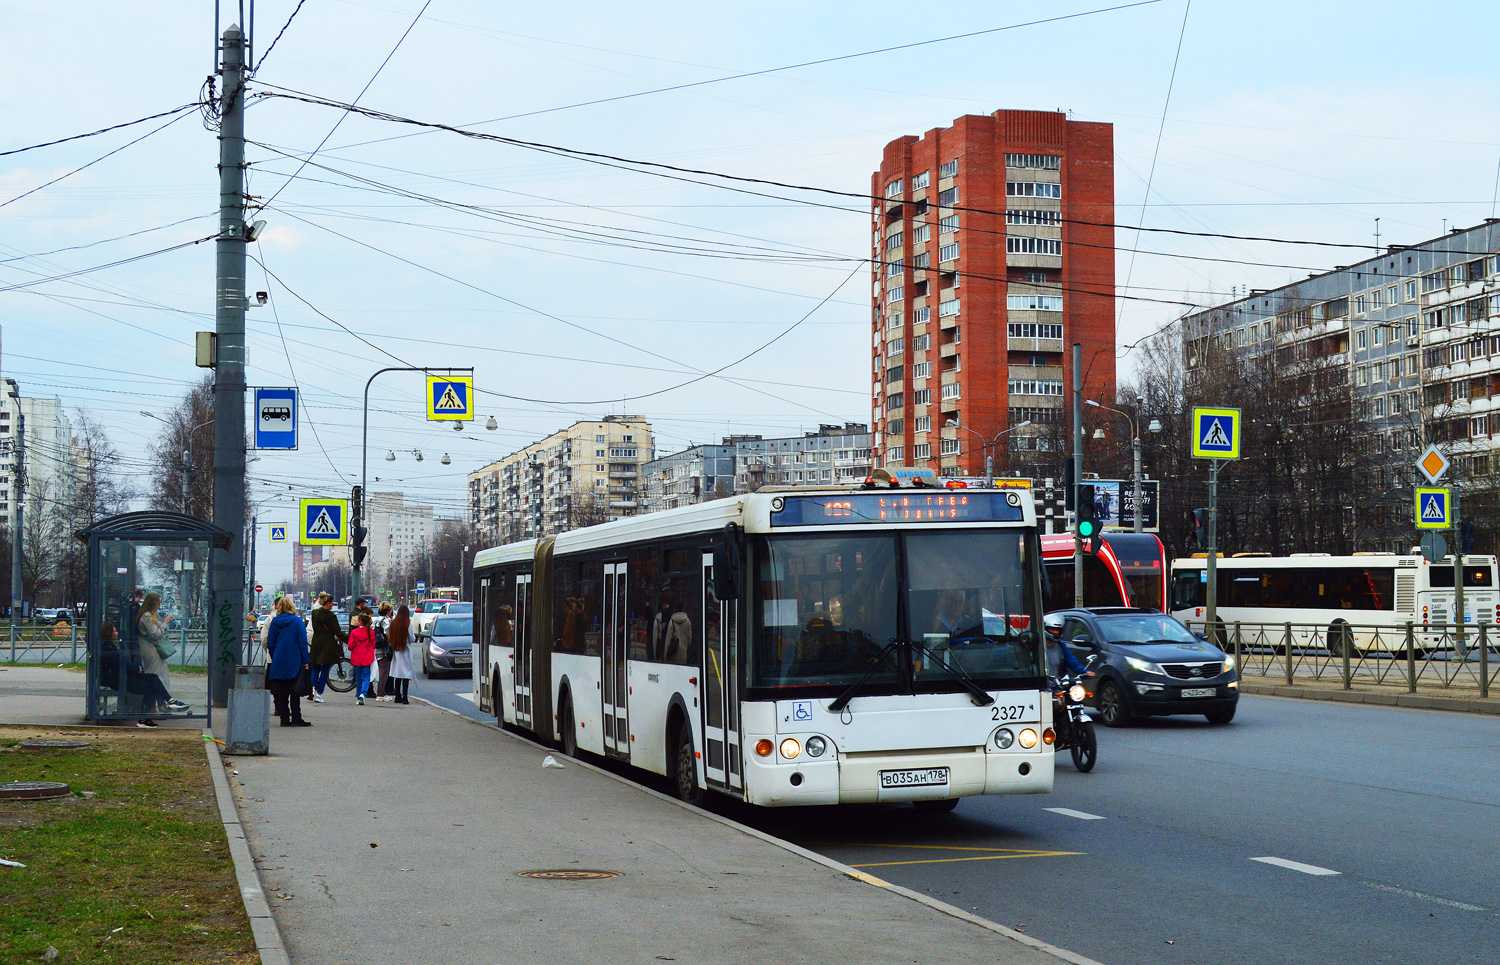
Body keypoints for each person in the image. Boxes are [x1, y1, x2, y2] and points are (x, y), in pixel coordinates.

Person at [97, 621, 173, 727]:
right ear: (108, 634)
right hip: (118, 680)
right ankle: (144, 718)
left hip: (121, 676)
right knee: (149, 688)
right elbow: (122, 665)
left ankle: (169, 700)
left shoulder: (107, 647)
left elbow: (121, 664)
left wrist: (135, 669)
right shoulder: (108, 649)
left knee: (153, 677)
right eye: (114, 631)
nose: (117, 633)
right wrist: (136, 668)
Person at [136, 592, 188, 714]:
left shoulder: (152, 615)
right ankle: (157, 706)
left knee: (159, 677)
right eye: (158, 602)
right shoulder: (147, 616)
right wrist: (165, 623)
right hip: (150, 649)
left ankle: (160, 705)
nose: (159, 605)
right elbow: (155, 634)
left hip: (155, 649)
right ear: (153, 603)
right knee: (156, 677)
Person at [265, 596, 312, 727]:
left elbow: (270, 643)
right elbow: (303, 643)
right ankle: (297, 718)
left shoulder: (274, 622)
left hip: (279, 660)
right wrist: (305, 660)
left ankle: (284, 719)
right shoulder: (297, 622)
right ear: (292, 607)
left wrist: (276, 657)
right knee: (295, 691)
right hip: (294, 659)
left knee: (283, 691)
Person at [308, 592, 348, 702]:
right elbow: (338, 632)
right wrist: (349, 641)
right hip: (327, 644)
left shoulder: (314, 613)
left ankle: (312, 690)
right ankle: (319, 694)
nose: (332, 605)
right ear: (328, 603)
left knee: (315, 667)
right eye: (331, 603)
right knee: (325, 668)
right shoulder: (331, 616)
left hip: (316, 643)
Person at [347, 611, 377, 705]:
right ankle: (363, 694)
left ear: (359, 622)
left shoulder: (354, 632)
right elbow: (374, 645)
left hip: (356, 657)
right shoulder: (371, 632)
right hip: (367, 657)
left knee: (358, 678)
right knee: (366, 677)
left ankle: (358, 696)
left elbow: (350, 646)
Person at [387, 604, 414, 704]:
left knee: (397, 674)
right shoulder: (408, 623)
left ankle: (397, 696)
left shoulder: (394, 623)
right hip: (405, 650)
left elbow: (390, 637)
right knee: (406, 675)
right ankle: (405, 698)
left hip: (396, 651)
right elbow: (412, 638)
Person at [374, 602, 395, 701]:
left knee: (380, 671)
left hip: (376, 647)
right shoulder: (386, 620)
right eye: (390, 610)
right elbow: (388, 632)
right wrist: (391, 643)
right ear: (387, 611)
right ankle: (381, 694)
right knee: (384, 672)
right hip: (384, 648)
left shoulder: (376, 620)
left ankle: (382, 693)